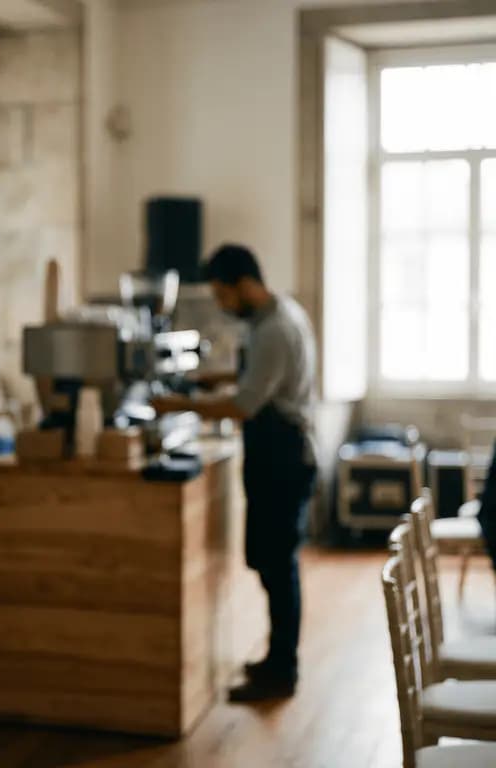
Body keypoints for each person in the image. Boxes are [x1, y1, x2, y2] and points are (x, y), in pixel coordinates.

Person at [151, 243, 318, 702]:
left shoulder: (273, 331)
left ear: (244, 284)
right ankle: (277, 659)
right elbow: (259, 381)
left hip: (283, 459)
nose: (222, 307)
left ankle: (282, 670)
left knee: (279, 566)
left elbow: (245, 405)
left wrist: (176, 403)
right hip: (280, 456)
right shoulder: (278, 316)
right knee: (272, 563)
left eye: (223, 295)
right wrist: (215, 378)